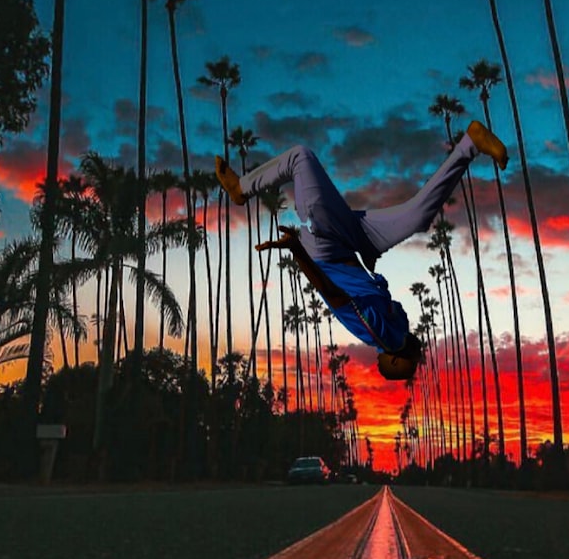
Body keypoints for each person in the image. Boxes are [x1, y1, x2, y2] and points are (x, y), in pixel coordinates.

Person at [215, 120, 508, 381]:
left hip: (329, 245)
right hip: (351, 244)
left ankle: (241, 189)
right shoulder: (393, 331)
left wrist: (299, 252)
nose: (415, 368)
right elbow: (349, 293)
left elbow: (338, 295)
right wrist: (353, 260)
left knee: (301, 158)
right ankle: (471, 143)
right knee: (416, 216)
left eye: (411, 371)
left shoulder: (384, 335)